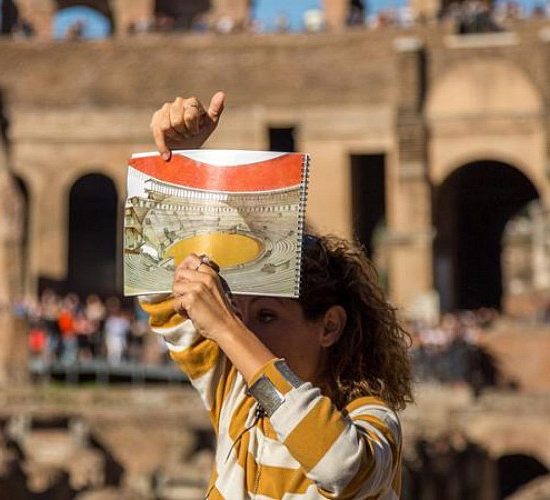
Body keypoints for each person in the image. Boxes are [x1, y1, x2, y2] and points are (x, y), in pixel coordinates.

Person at [143, 93, 414, 499]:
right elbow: (160, 278)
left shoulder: (372, 421)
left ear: (329, 326)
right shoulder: (237, 395)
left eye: (267, 316)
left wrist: (228, 329)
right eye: (239, 312)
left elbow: (339, 466)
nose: (244, 329)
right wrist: (180, 163)